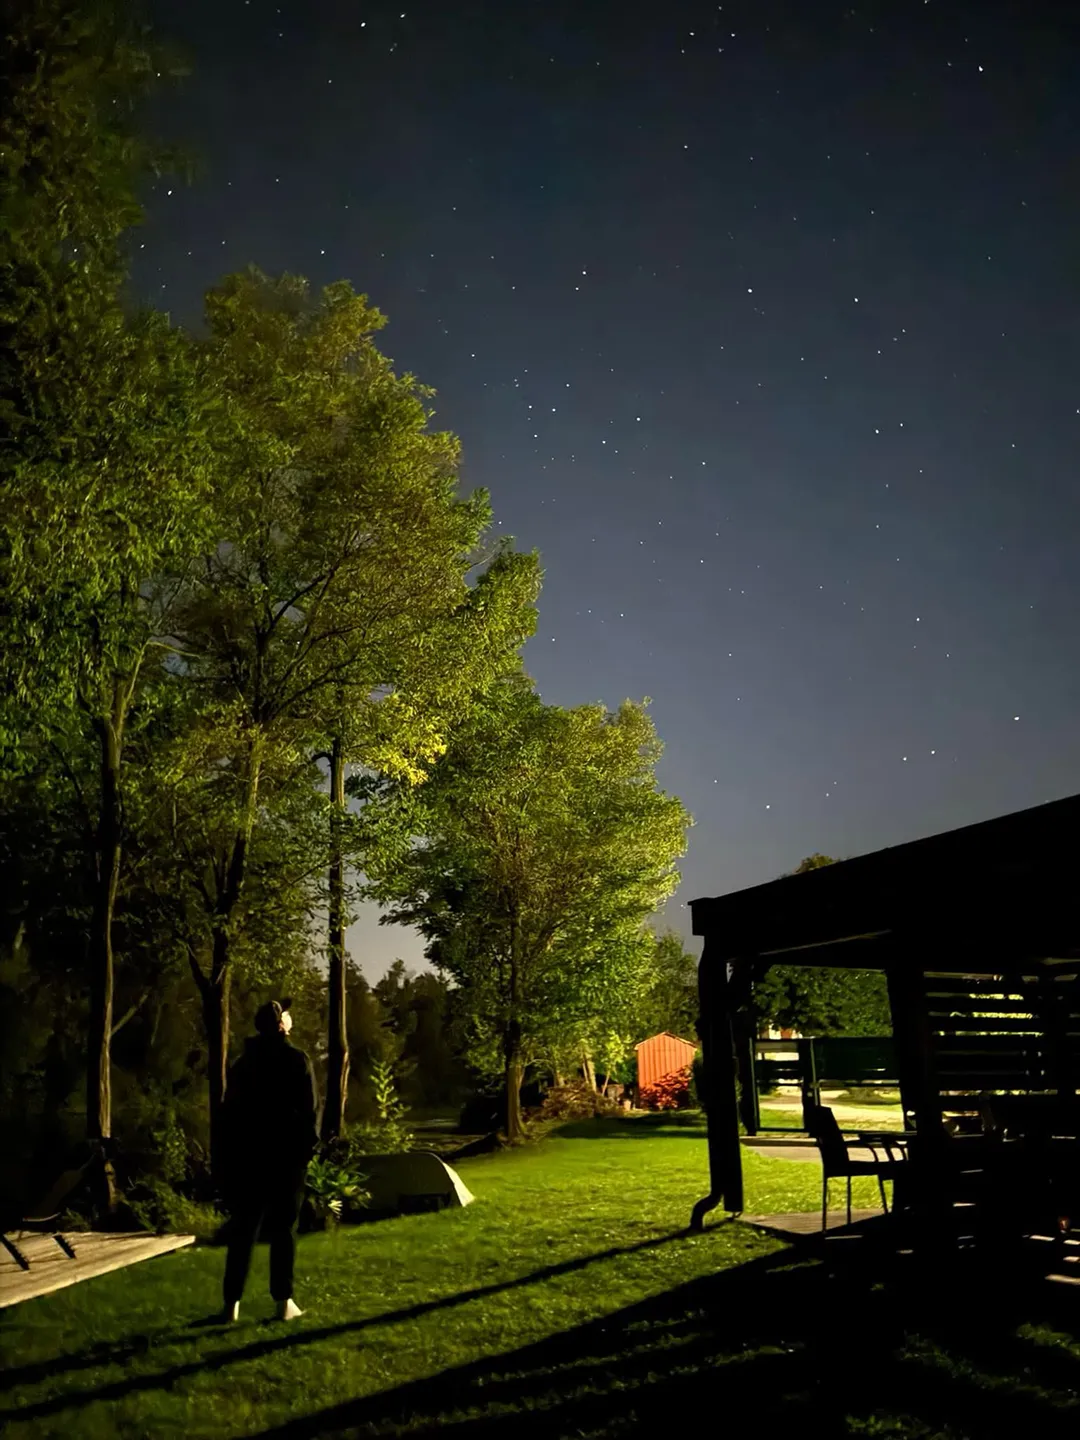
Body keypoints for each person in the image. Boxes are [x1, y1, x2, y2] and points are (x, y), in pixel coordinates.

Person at [218, 998, 320, 1322]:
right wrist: (307, 1150)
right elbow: (310, 1111)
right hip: (286, 1157)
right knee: (283, 1230)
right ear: (280, 1026)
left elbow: (230, 1114)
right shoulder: (296, 1060)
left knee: (243, 1230)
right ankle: (283, 1302)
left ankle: (231, 1304)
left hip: (249, 1158)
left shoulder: (242, 1065)